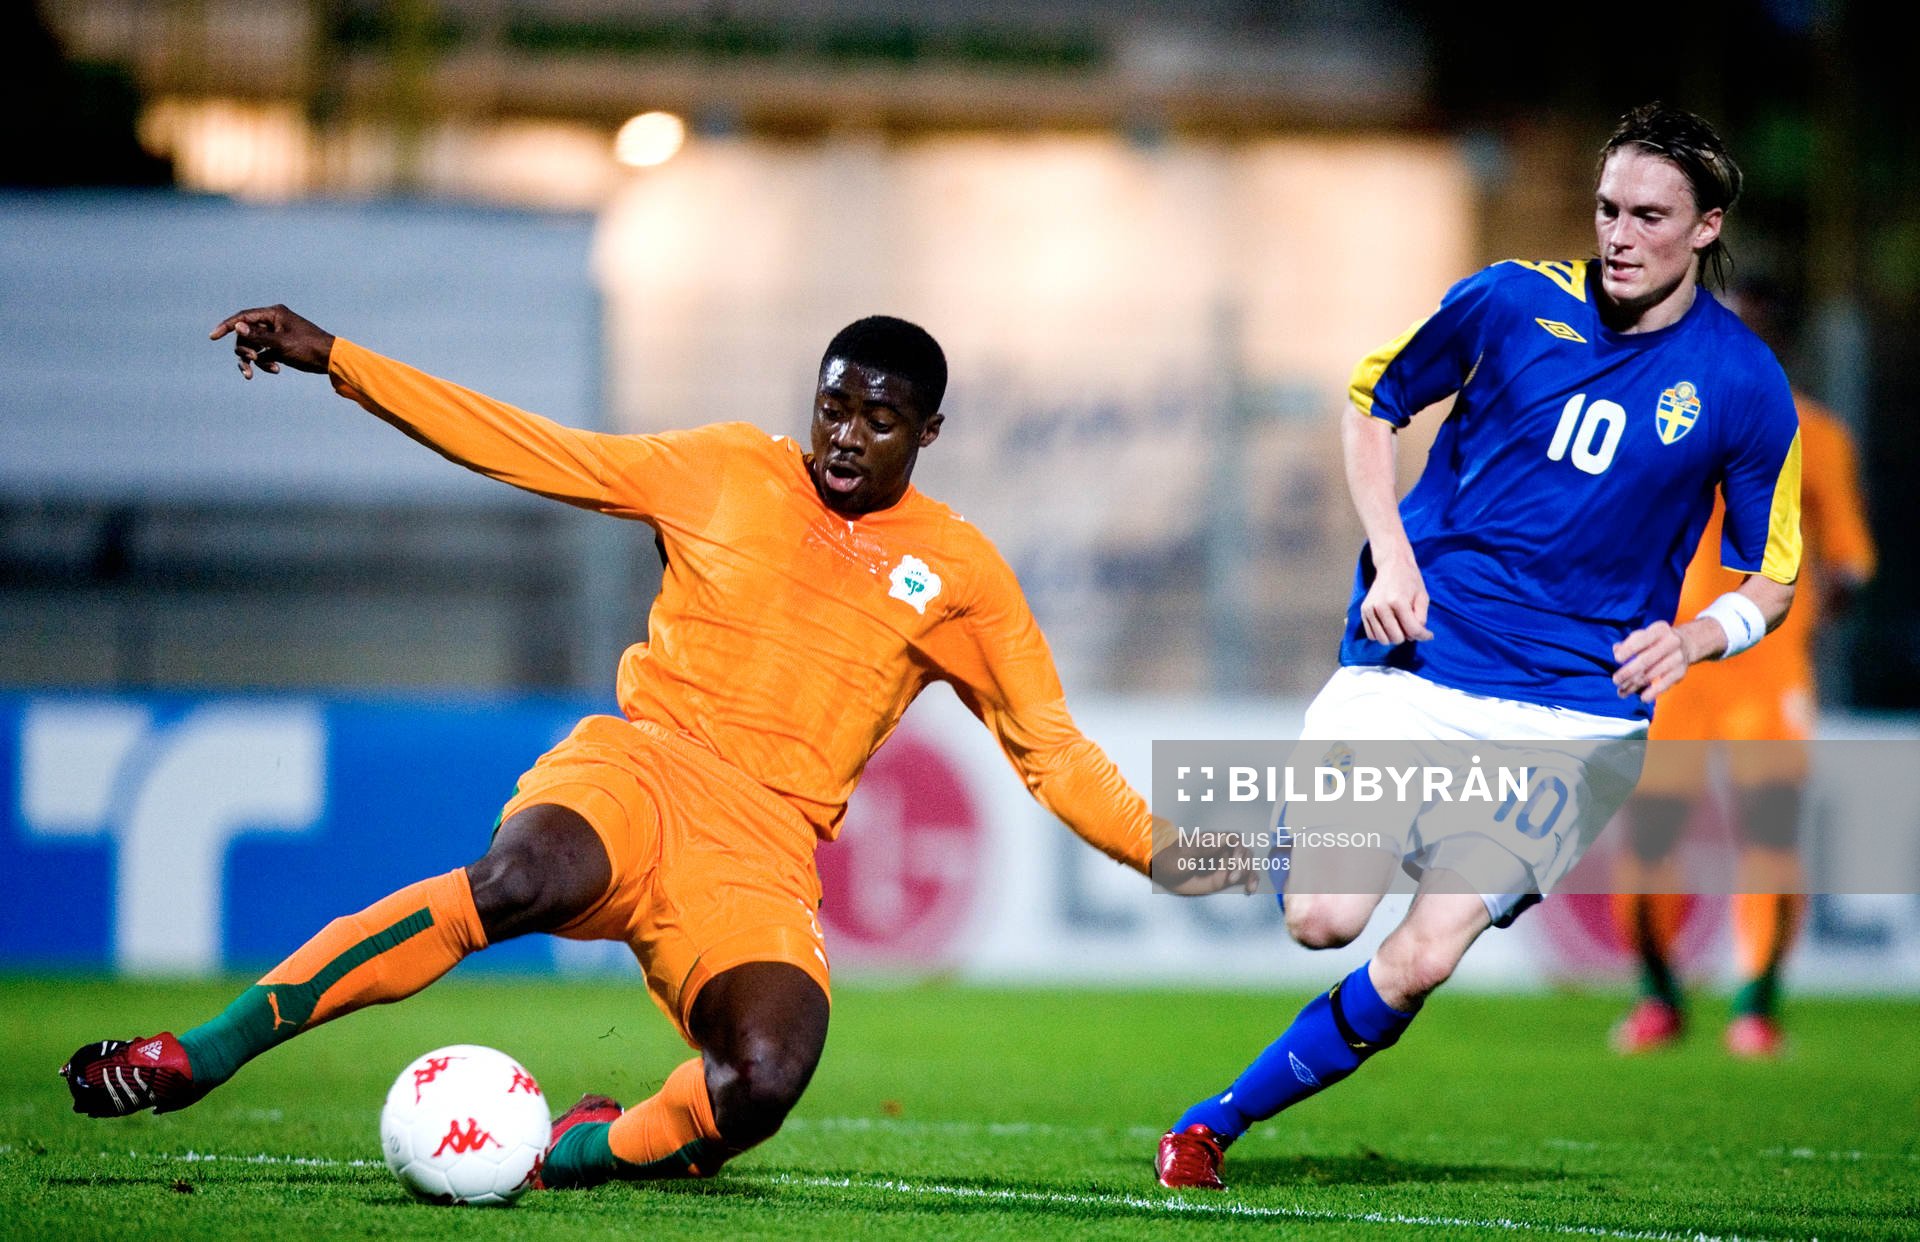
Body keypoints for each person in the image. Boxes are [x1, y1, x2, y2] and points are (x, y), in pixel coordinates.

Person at [61, 305, 1202, 1189]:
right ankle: (198, 1053)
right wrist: (338, 358)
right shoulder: (720, 468)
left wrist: (1207, 861)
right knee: (515, 880)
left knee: (764, 1078)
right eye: (833, 407)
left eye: (880, 418)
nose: (846, 436)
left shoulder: (960, 574)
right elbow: (528, 449)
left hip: (761, 850)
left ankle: (582, 1154)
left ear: (930, 432)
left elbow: (1055, 755)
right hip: (639, 768)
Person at [1155, 102, 1803, 1191]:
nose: (1620, 236)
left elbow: (1773, 575)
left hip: (1573, 720)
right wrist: (1392, 559)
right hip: (1424, 666)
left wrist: (1698, 638)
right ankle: (1285, 830)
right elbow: (1372, 403)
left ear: (1706, 227)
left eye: (1650, 215)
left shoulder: (1743, 382)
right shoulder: (1509, 302)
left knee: (1421, 957)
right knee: (1324, 920)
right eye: (1607, 209)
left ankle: (1210, 1129)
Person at [1611, 282, 1876, 1060]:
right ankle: (1657, 995)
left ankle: (1756, 1006)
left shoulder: (1818, 436)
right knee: (1650, 837)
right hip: (1676, 663)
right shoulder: (1662, 420)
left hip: (1768, 671)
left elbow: (1848, 556)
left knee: (1771, 840)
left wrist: (1822, 602)